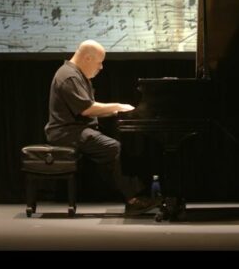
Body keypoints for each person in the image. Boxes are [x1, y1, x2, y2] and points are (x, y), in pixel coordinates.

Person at [45, 39, 161, 216]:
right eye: (99, 62)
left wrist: (118, 113)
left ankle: (139, 194)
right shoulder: (69, 76)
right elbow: (87, 108)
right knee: (112, 147)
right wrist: (118, 106)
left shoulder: (76, 74)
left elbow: (89, 109)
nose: (101, 68)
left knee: (119, 144)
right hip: (64, 132)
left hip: (76, 129)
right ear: (88, 58)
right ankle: (132, 200)